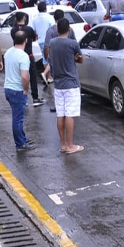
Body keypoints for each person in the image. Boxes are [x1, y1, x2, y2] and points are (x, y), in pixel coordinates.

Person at [45, 18, 84, 154]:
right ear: (69, 29)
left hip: (58, 84)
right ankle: (70, 145)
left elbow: (50, 57)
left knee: (60, 114)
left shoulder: (52, 43)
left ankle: (63, 144)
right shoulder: (73, 43)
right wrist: (74, 59)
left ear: (57, 29)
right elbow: (81, 58)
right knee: (70, 115)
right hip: (71, 83)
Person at [4, 29, 35, 151]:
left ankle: (22, 138)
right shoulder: (23, 56)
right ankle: (20, 144)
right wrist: (26, 89)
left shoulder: (8, 52)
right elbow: (24, 76)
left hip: (8, 88)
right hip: (17, 90)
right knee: (18, 119)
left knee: (18, 116)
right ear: (26, 40)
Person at [10, 12, 43, 106]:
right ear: (24, 18)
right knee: (32, 76)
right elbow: (34, 38)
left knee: (19, 77)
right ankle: (35, 98)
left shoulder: (13, 30)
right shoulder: (29, 29)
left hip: (17, 55)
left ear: (16, 19)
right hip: (29, 55)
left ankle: (23, 97)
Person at [31, 2, 56, 86]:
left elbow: (33, 31)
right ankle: (45, 74)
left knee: (45, 59)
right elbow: (53, 28)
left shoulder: (34, 19)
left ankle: (49, 77)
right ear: (45, 8)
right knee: (52, 59)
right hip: (50, 40)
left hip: (40, 41)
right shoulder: (49, 17)